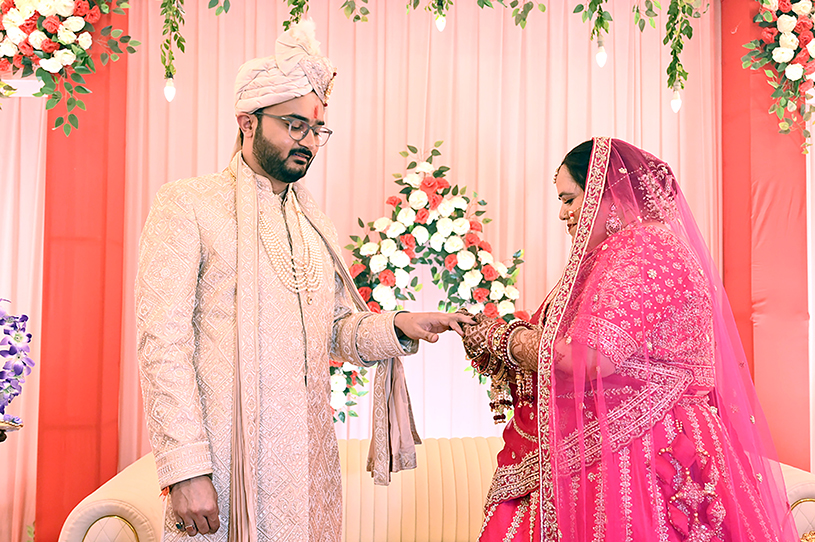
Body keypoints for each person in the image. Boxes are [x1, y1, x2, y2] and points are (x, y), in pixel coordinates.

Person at [136, 20, 472, 542]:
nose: (309, 142)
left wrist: (401, 325)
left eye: (317, 130)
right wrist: (184, 468)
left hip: (310, 463)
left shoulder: (314, 223)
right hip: (228, 463)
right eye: (295, 125)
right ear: (248, 122)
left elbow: (335, 330)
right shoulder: (188, 205)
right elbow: (163, 344)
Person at [462, 137, 797, 541]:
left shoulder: (643, 247)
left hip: (648, 446)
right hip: (622, 438)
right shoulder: (612, 254)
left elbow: (592, 359)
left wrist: (507, 339)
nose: (564, 214)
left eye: (570, 199)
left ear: (605, 194)